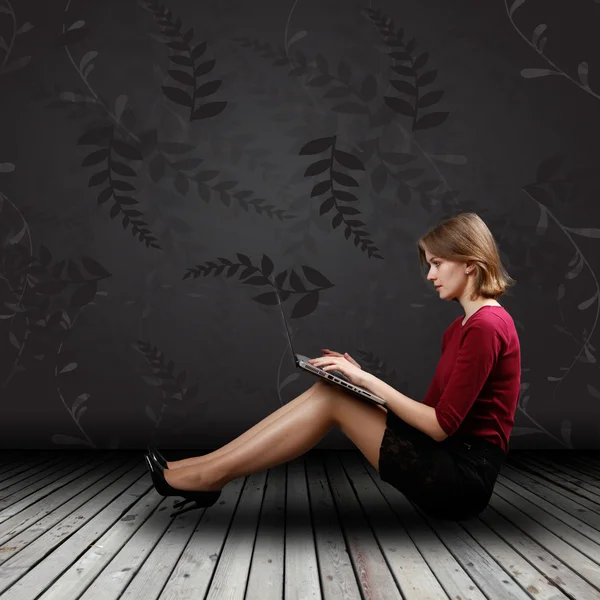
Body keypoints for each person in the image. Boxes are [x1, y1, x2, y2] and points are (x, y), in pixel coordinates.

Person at [145, 212, 521, 521]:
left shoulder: (487, 327)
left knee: (334, 400)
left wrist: (368, 381)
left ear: (471, 265)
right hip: (445, 456)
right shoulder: (462, 327)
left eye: (438, 263)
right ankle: (202, 467)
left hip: (461, 481)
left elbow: (440, 427)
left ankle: (207, 476)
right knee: (332, 389)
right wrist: (360, 386)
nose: (430, 275)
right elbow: (431, 418)